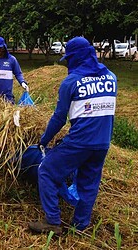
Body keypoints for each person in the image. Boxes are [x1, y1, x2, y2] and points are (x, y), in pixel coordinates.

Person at [28, 37, 117, 235]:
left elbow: (59, 118)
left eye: (69, 60)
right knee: (89, 182)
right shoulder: (111, 77)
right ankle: (80, 225)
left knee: (47, 172)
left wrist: (44, 140)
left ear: (76, 58)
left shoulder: (71, 82)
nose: (68, 64)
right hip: (102, 142)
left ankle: (52, 221)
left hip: (80, 142)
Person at [0, 36, 28, 103]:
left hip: (7, 97)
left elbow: (18, 73)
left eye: (0, 48)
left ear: (4, 47)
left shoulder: (12, 60)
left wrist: (22, 82)